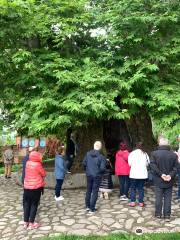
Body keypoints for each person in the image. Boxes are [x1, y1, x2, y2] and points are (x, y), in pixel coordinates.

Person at [150, 137, 178, 221]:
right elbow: (176, 167)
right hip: (169, 179)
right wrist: (170, 175)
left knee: (158, 197)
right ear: (168, 144)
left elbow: (152, 165)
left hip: (159, 179)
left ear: (159, 144)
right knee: (168, 198)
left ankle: (158, 214)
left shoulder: (154, 154)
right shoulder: (173, 154)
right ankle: (167, 216)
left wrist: (161, 174)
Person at [23, 151, 46, 229]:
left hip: (26, 187)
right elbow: (44, 174)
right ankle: (31, 224)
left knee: (26, 204)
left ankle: (25, 222)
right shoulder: (38, 164)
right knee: (34, 205)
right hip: (36, 188)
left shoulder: (27, 163)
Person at [83, 141, 106, 214]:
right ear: (100, 147)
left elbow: (84, 163)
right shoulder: (101, 157)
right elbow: (102, 168)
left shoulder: (87, 154)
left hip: (89, 174)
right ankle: (92, 208)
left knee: (89, 190)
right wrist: (100, 173)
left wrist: (87, 170)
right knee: (95, 191)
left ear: (94, 146)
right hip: (97, 176)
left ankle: (87, 206)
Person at [128, 142, 149, 207]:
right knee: (141, 188)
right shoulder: (145, 154)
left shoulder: (132, 153)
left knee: (133, 188)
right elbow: (148, 163)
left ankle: (132, 202)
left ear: (136, 146)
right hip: (142, 175)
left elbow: (129, 164)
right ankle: (141, 202)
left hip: (134, 174)